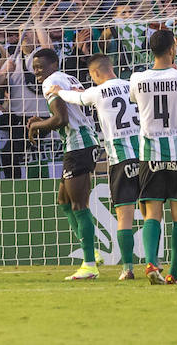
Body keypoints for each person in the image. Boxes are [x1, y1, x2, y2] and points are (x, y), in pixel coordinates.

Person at [53, 53, 141, 281]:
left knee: (125, 217)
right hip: (146, 156)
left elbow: (76, 99)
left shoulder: (97, 92)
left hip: (120, 160)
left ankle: (128, 268)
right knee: (153, 214)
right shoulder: (132, 84)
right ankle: (154, 264)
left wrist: (57, 92)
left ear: (95, 73)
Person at [128, 27, 177, 284]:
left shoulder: (137, 79)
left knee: (152, 212)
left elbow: (139, 103)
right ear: (173, 49)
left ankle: (151, 262)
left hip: (150, 152)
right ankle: (173, 273)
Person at [27, 46, 100, 281]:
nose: (37, 72)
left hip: (79, 145)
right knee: (64, 200)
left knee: (79, 205)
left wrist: (36, 126)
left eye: (41, 67)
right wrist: (43, 121)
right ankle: (92, 251)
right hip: (81, 142)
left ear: (53, 65)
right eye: (34, 68)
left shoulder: (50, 82)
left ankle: (89, 264)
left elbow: (61, 119)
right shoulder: (68, 78)